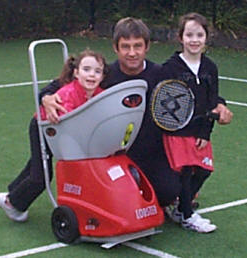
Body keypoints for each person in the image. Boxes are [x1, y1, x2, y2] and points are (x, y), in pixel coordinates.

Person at [41, 17, 233, 210]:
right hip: (113, 154)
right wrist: (46, 97)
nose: (132, 53)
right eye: (125, 47)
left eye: (137, 46)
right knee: (118, 202)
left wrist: (220, 104)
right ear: (116, 48)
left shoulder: (161, 73)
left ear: (147, 46)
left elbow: (192, 94)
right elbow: (61, 84)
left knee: (169, 191)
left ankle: (169, 198)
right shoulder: (105, 74)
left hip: (152, 153)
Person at [0, 49, 108, 222]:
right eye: (86, 70)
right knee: (42, 177)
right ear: (76, 73)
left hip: (58, 130)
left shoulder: (99, 94)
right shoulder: (68, 93)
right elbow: (69, 121)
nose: (92, 75)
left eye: (97, 71)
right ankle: (13, 203)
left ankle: (14, 189)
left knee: (37, 162)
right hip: (43, 127)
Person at [160, 13, 222, 233]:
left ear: (206, 38)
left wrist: (206, 132)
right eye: (189, 35)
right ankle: (187, 215)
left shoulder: (210, 68)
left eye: (199, 35)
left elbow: (213, 101)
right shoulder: (170, 68)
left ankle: (180, 208)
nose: (194, 40)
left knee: (204, 170)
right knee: (185, 172)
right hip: (177, 132)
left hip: (200, 131)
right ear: (180, 37)